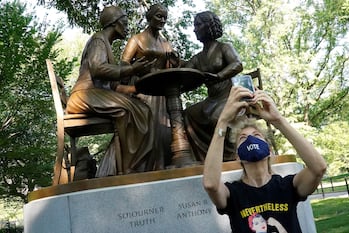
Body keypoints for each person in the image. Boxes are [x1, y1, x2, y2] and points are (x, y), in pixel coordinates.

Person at [202, 86, 327, 232]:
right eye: (243, 138)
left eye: (256, 136)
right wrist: (223, 120)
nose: (250, 139)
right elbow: (210, 184)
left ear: (270, 150)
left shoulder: (287, 186)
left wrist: (278, 120)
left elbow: (319, 168)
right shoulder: (233, 193)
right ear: (238, 156)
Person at [66, 5, 155, 176]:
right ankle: (129, 167)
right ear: (115, 23)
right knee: (128, 109)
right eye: (125, 22)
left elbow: (109, 85)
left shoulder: (106, 43)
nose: (127, 27)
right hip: (83, 95)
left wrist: (134, 89)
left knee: (142, 108)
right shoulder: (99, 40)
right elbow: (98, 69)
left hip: (95, 94)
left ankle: (133, 164)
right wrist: (131, 70)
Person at [122, 3, 179, 169]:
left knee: (166, 128)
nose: (162, 20)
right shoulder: (136, 39)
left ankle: (163, 164)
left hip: (161, 91)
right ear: (149, 17)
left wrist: (173, 61)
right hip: (143, 90)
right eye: (159, 16)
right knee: (148, 127)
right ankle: (144, 166)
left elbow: (170, 68)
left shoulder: (165, 42)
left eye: (165, 18)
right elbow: (123, 63)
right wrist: (136, 68)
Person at [184, 11, 243, 162]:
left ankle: (230, 156)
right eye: (194, 25)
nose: (194, 29)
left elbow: (237, 64)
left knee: (218, 118)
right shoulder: (198, 57)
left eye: (198, 25)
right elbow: (186, 71)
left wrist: (219, 76)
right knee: (187, 114)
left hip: (229, 97)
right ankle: (204, 156)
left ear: (209, 26)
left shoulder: (224, 47)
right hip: (212, 100)